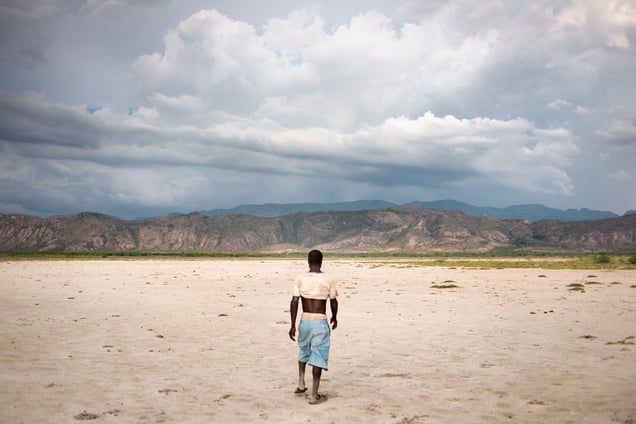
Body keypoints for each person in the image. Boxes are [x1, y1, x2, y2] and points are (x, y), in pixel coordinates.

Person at [288, 249, 338, 405]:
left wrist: (292, 324)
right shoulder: (328, 279)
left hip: (305, 320)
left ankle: (301, 383)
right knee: (318, 355)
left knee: (304, 350)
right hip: (320, 320)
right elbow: (333, 301)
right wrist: (334, 317)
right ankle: (314, 395)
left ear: (308, 261)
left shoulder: (300, 278)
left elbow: (295, 301)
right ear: (321, 261)